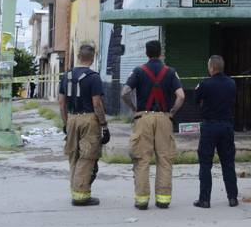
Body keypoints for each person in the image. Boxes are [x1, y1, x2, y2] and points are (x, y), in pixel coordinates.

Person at [121, 40, 185, 210]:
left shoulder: (138, 71)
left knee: (142, 159)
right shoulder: (170, 72)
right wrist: (172, 112)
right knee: (164, 159)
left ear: (146, 53)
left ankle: (142, 201)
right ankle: (163, 200)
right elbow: (181, 96)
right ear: (161, 53)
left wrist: (134, 109)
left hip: (144, 117)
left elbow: (125, 92)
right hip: (164, 118)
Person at [58, 44, 109, 206]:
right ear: (92, 58)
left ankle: (75, 189)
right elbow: (97, 103)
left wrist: (66, 122)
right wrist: (104, 124)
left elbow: (61, 103)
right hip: (89, 119)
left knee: (73, 155)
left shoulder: (66, 76)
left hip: (72, 117)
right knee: (87, 156)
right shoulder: (93, 77)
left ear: (78, 57)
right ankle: (81, 195)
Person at [193, 55, 239, 208]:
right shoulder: (232, 83)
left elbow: (195, 99)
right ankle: (232, 198)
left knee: (206, 164)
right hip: (226, 127)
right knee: (228, 163)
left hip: (209, 127)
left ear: (211, 68)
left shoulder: (205, 84)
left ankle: (204, 200)